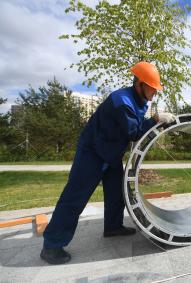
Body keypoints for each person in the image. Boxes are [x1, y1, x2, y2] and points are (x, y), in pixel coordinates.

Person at [40, 61, 176, 265]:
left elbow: (134, 126)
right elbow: (134, 132)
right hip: (92, 152)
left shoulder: (137, 100)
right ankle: (52, 245)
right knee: (74, 197)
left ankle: (113, 227)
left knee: (115, 193)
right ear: (139, 84)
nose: (155, 93)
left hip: (111, 153)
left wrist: (153, 119)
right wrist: (156, 119)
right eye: (152, 88)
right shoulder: (122, 101)